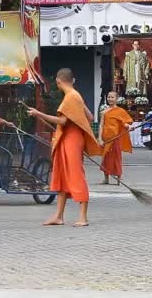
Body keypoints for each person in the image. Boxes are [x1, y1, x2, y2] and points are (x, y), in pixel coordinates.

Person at [27, 68, 100, 227]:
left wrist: (39, 114)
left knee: (76, 174)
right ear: (72, 80)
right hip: (65, 139)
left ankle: (83, 217)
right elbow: (90, 116)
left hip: (72, 140)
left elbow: (62, 122)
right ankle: (58, 216)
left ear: (58, 82)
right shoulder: (75, 96)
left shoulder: (71, 97)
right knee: (60, 174)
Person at [98, 91, 133, 185]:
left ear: (117, 99)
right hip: (106, 138)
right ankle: (106, 178)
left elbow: (124, 123)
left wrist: (129, 127)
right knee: (105, 158)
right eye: (109, 97)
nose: (110, 99)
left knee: (117, 158)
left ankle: (118, 177)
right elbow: (101, 125)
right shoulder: (104, 112)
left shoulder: (120, 111)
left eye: (112, 97)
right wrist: (100, 138)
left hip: (115, 138)